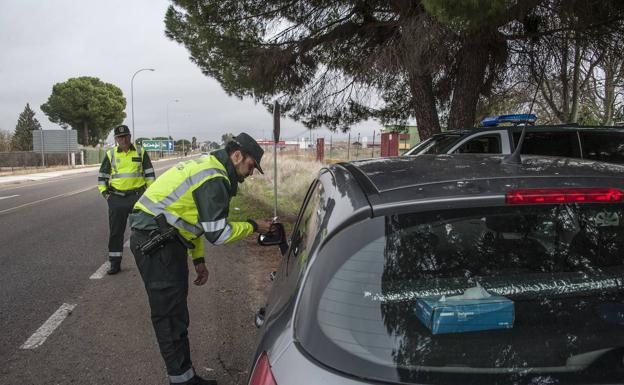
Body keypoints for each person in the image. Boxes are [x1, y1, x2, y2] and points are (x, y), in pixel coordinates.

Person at [128, 133, 272, 385]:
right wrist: (253, 225)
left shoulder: (210, 168)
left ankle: (184, 376)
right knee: (170, 315)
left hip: (165, 239)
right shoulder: (214, 177)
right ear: (237, 156)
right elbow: (218, 233)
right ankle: (182, 381)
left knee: (176, 313)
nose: (250, 174)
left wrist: (198, 260)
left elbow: (190, 220)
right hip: (156, 243)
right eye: (250, 166)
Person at [97, 124, 155, 275]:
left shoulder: (141, 152)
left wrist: (150, 195)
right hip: (117, 198)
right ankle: (115, 264)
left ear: (130, 137)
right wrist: (106, 195)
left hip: (138, 197)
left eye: (126, 136)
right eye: (120, 137)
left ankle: (148, 261)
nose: (123, 139)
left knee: (144, 230)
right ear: (116, 139)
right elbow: (102, 177)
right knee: (116, 232)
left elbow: (149, 175)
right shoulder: (110, 154)